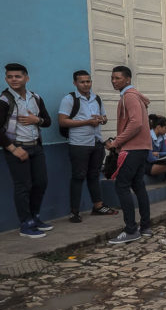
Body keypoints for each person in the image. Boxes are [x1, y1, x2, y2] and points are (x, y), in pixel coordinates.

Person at [58, 70, 118, 223]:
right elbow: (63, 121)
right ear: (75, 83)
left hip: (96, 143)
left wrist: (101, 119)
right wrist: (86, 122)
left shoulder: (96, 98)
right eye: (82, 82)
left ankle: (98, 206)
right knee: (78, 177)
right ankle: (75, 211)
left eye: (88, 81)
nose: (86, 84)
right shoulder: (69, 99)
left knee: (94, 175)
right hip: (79, 144)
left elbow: (104, 118)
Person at [1, 63, 52, 238]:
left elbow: (47, 121)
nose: (13, 80)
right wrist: (13, 149)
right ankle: (26, 223)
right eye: (9, 76)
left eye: (17, 76)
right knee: (23, 187)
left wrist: (35, 119)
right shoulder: (4, 100)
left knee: (41, 182)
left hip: (36, 147)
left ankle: (35, 217)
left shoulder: (35, 98)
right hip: (17, 148)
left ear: (26, 78)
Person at [106, 65, 152, 244]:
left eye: (117, 78)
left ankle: (131, 229)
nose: (114, 81)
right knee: (138, 185)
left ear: (127, 79)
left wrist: (116, 142)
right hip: (141, 148)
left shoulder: (129, 97)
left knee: (122, 185)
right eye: (112, 78)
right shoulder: (133, 96)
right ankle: (145, 226)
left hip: (132, 148)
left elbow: (136, 124)